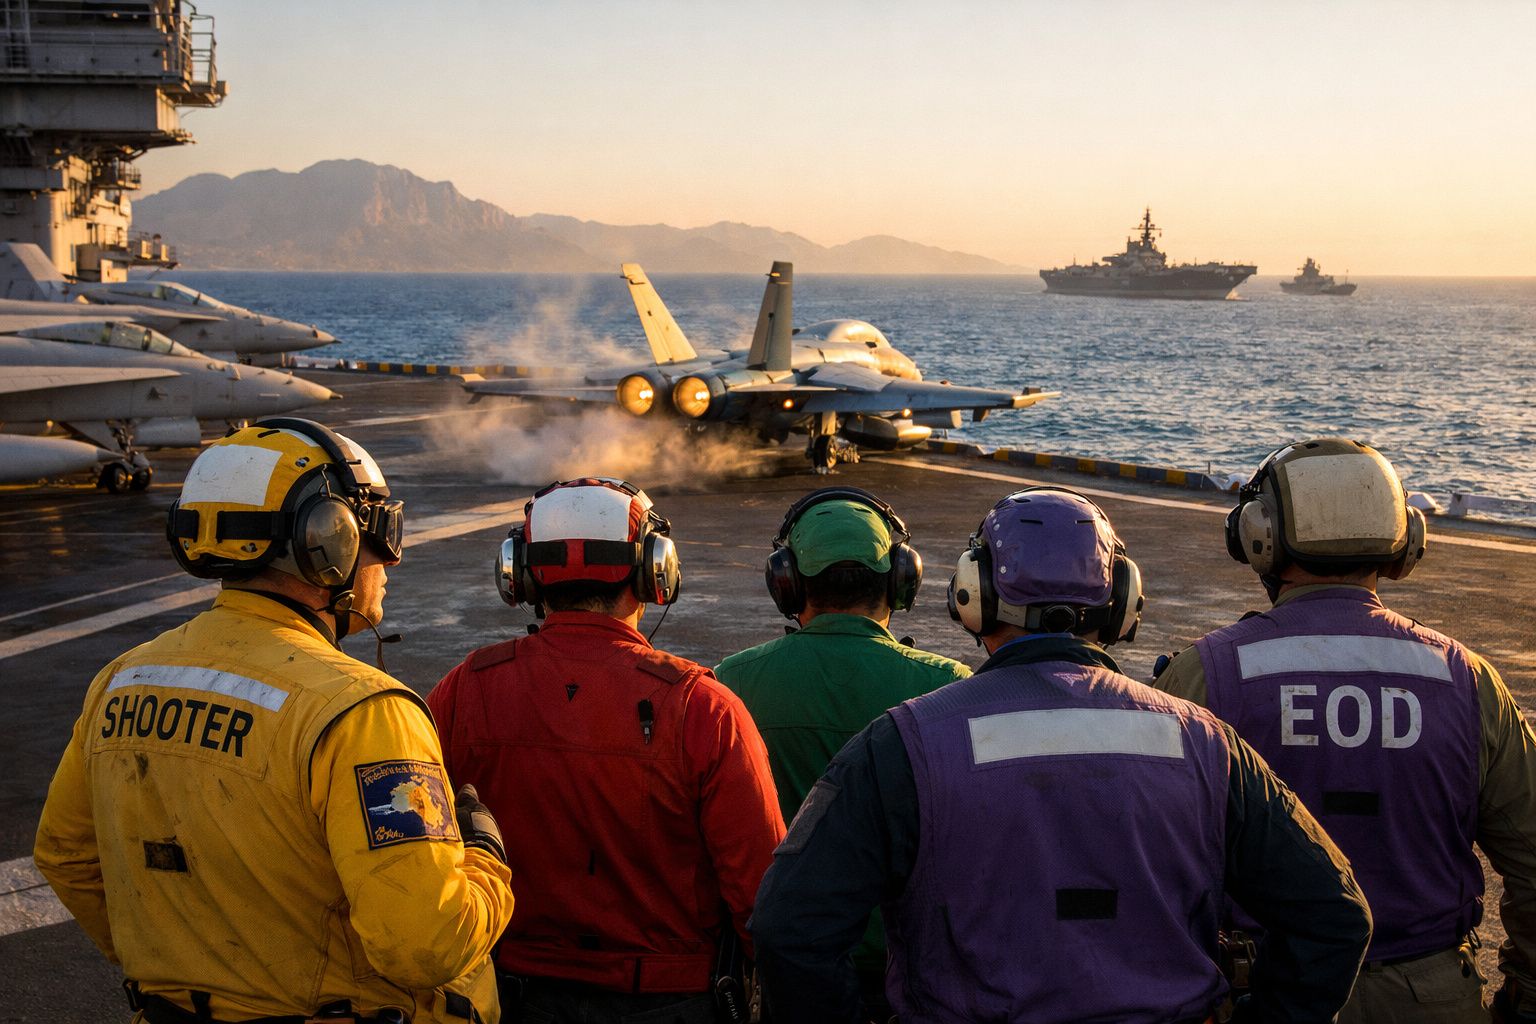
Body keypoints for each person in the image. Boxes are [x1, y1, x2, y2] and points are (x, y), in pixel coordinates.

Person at [750, 485, 1372, 1023]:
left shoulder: (906, 742)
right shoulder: (1205, 742)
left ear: (973, 594)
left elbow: (789, 930)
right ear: (1122, 603)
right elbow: (1336, 915)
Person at [34, 417, 514, 1023]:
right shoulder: (363, 713)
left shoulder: (122, 679)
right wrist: (483, 858)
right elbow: (425, 946)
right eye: (382, 533)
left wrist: (181, 965)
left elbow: (65, 856)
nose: (391, 561)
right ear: (330, 540)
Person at [1152, 437, 1536, 1024]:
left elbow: (1149, 862)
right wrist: (1525, 997)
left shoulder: (1204, 674)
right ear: (1405, 539)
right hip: (1430, 997)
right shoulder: (1468, 681)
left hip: (1265, 998)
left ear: (1259, 537)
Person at [428, 477, 785, 1023]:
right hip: (668, 1000)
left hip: (505, 994)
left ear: (521, 575)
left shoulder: (464, 688)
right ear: (653, 573)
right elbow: (762, 893)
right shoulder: (703, 708)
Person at [716, 486, 970, 1022]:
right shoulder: (947, 687)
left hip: (786, 963)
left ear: (785, 584)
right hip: (913, 974)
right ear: (902, 580)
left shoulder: (730, 683)